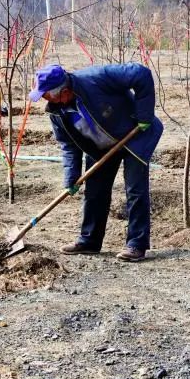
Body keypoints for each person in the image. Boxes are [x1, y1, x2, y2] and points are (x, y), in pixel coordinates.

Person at [29, 63, 163, 262]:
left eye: (47, 95)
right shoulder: (57, 112)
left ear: (64, 92)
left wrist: (144, 114)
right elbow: (69, 145)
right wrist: (71, 177)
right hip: (101, 146)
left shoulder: (96, 78)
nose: (45, 100)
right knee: (94, 191)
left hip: (135, 135)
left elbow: (141, 74)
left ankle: (136, 244)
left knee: (135, 189)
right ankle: (90, 241)